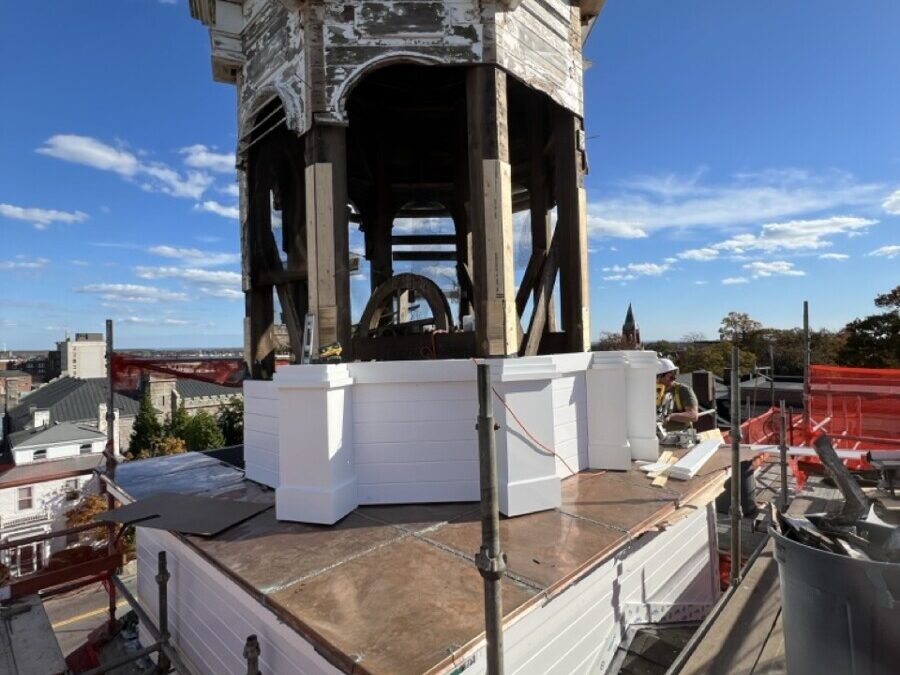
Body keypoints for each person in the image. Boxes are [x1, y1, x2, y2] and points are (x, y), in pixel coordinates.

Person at [656, 358, 699, 432]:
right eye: (670, 376)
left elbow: (693, 416)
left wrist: (671, 416)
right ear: (659, 376)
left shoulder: (683, 390)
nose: (674, 378)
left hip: (680, 437)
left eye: (674, 374)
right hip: (657, 436)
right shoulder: (651, 391)